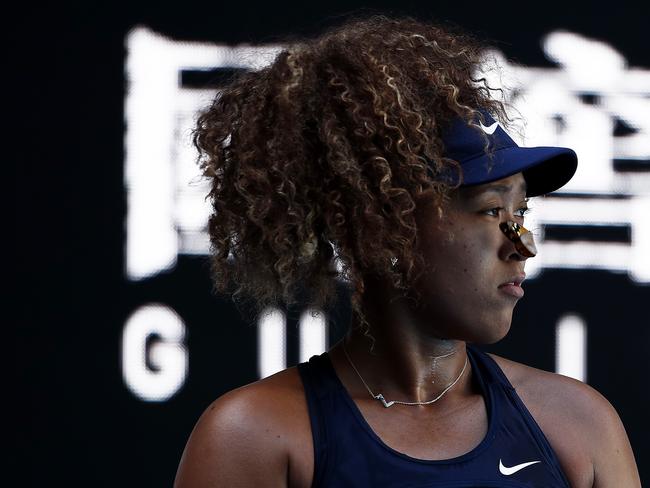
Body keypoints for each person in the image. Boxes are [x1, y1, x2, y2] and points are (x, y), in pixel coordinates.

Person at [174, 15, 641, 487]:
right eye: (490, 211)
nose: (523, 244)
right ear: (384, 226)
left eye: (521, 213)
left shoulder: (578, 424)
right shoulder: (254, 437)